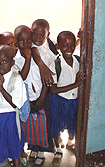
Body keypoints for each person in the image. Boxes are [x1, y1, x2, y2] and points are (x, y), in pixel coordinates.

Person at [14, 25, 54, 166]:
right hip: (26, 99)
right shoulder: (15, 59)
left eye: (28, 40)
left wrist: (42, 98)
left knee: (43, 125)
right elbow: (19, 81)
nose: (25, 43)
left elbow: (46, 79)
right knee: (30, 126)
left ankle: (41, 154)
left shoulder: (40, 55)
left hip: (41, 96)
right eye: (21, 40)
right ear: (16, 41)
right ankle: (32, 151)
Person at [49, 31, 85, 166]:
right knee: (56, 125)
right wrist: (75, 84)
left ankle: (70, 142)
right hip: (59, 100)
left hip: (73, 100)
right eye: (65, 46)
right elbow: (53, 90)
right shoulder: (56, 64)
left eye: (72, 45)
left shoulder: (79, 60)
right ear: (58, 46)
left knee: (73, 122)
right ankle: (58, 149)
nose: (69, 49)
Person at [0, 31, 31, 160]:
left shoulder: (13, 65)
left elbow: (20, 78)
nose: (14, 47)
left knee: (15, 135)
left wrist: (28, 58)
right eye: (10, 44)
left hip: (13, 109)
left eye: (15, 44)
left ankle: (17, 154)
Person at [0, 45, 27, 167]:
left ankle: (16, 164)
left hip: (10, 117)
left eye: (5, 61)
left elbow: (15, 103)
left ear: (12, 62)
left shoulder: (16, 78)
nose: (1, 64)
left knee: (14, 145)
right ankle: (2, 161)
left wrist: (1, 88)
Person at [31, 19, 58, 87]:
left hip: (53, 82)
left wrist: (79, 39)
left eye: (42, 35)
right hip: (38, 86)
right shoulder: (30, 45)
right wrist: (42, 66)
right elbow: (34, 50)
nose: (37, 38)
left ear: (47, 35)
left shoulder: (51, 43)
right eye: (35, 34)